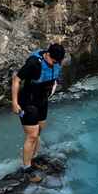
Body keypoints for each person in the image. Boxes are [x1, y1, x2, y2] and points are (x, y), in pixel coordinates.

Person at [11, 43, 65, 181]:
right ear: (48, 54)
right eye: (53, 61)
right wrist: (15, 103)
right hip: (28, 102)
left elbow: (55, 78)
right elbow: (17, 79)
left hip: (42, 101)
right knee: (32, 136)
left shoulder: (56, 61)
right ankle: (27, 169)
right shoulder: (34, 64)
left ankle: (33, 159)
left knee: (39, 131)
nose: (55, 64)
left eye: (57, 62)